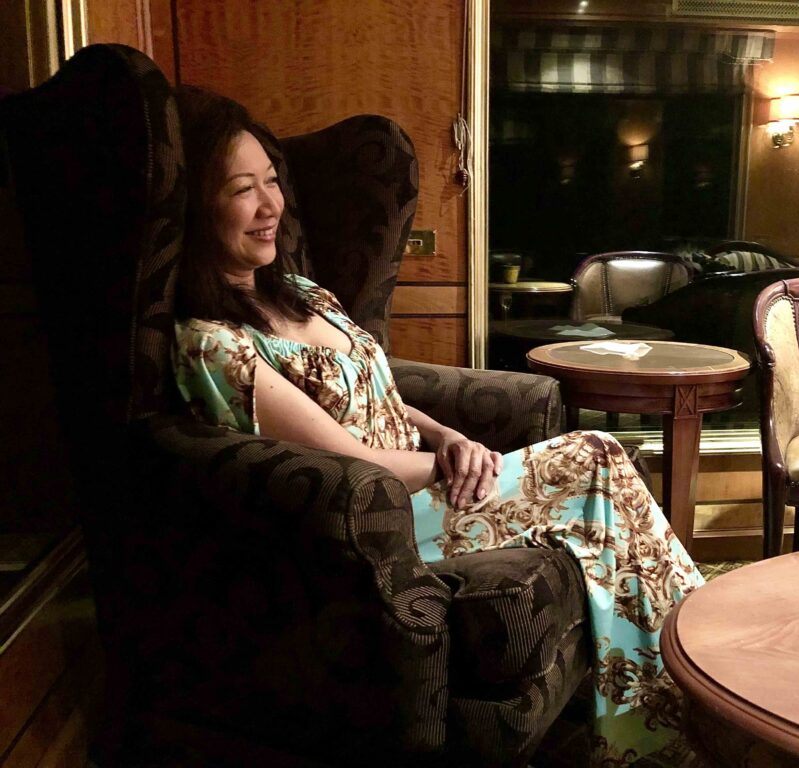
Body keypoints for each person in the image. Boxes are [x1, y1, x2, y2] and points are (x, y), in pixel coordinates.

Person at [170, 86, 704, 766]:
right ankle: (695, 688)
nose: (270, 205)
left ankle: (664, 706)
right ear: (197, 208)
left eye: (271, 181)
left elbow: (378, 384)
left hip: (423, 483)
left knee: (605, 510)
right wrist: (454, 469)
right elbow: (342, 461)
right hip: (381, 526)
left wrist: (446, 436)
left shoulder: (297, 291)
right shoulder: (214, 344)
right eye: (243, 190)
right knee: (595, 457)